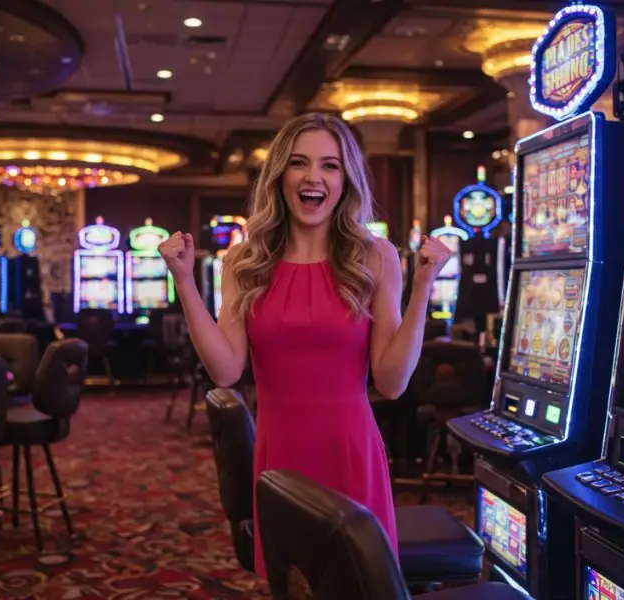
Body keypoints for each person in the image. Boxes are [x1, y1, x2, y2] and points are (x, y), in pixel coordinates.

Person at [159, 113, 453, 577]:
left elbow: (392, 383)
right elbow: (226, 370)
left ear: (345, 180)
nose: (313, 177)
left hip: (350, 451)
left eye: (329, 165)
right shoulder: (245, 260)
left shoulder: (374, 256)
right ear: (280, 176)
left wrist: (423, 289)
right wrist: (184, 282)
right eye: (299, 163)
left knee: (355, 584)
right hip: (281, 455)